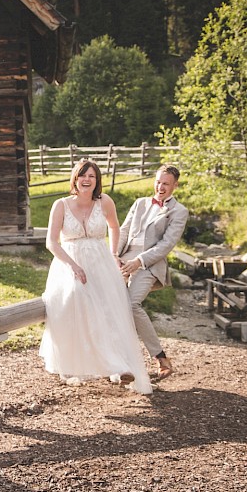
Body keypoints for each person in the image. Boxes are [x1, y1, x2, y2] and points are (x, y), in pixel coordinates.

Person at [39, 159, 152, 394]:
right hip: (69, 262)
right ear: (75, 179)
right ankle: (85, 362)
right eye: (83, 175)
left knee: (110, 311)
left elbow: (114, 227)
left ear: (97, 180)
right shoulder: (60, 205)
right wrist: (72, 266)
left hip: (101, 262)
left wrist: (113, 252)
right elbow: (51, 242)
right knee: (77, 299)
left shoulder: (105, 202)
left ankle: (119, 367)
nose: (87, 180)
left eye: (91, 176)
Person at [116, 164, 189, 380]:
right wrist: (113, 256)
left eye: (166, 183)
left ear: (175, 185)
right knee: (110, 304)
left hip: (149, 264)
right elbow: (123, 231)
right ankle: (117, 362)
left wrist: (138, 261)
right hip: (123, 258)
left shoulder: (179, 211)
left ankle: (160, 357)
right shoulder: (139, 203)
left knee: (131, 304)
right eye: (158, 182)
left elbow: (166, 246)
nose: (160, 187)